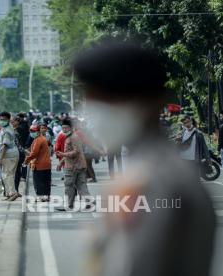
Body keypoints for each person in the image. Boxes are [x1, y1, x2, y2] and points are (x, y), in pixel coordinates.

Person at [74, 41, 215, 276]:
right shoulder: (157, 169)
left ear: (152, 101)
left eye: (109, 98)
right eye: (92, 98)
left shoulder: (148, 181)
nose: (97, 108)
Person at [55, 120, 92, 210]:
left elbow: (76, 152)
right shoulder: (70, 137)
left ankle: (68, 205)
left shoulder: (73, 137)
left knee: (69, 186)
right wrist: (61, 162)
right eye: (63, 128)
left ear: (71, 128)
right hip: (79, 165)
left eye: (66, 128)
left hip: (72, 166)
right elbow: (71, 152)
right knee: (81, 185)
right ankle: (89, 202)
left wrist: (63, 155)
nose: (64, 129)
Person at [24, 125, 51, 202]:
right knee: (46, 181)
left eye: (33, 131)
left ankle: (40, 196)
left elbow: (34, 153)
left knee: (38, 182)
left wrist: (26, 160)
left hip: (38, 164)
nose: (31, 133)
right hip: (46, 164)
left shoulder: (38, 140)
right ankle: (46, 196)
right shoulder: (42, 139)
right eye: (30, 131)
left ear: (38, 131)